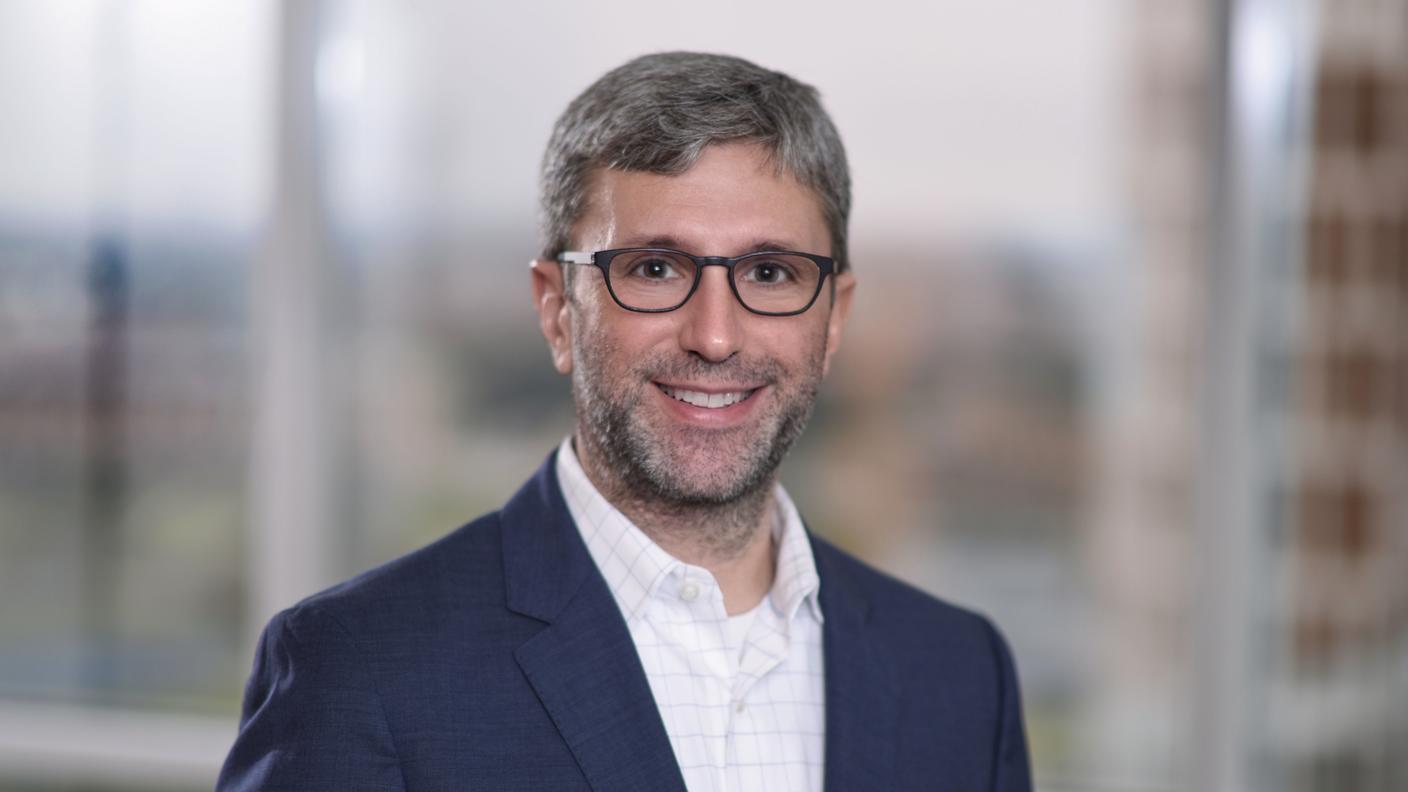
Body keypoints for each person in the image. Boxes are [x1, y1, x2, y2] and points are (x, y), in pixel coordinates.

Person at [217, 51, 1031, 792]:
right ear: (556, 310)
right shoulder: (362, 671)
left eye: (772, 272)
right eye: (652, 268)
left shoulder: (960, 676)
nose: (715, 336)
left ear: (833, 319)